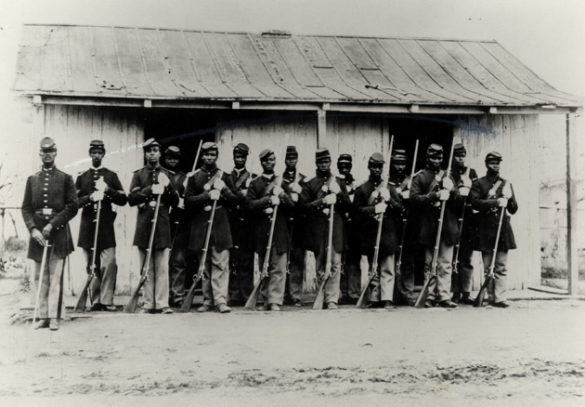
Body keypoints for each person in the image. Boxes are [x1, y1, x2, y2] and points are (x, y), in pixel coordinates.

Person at [22, 137, 78, 330]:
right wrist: (33, 229)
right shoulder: (32, 179)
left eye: (51, 151)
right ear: (40, 153)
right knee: (39, 276)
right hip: (38, 235)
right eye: (44, 152)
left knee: (55, 276)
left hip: (58, 233)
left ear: (55, 153)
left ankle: (54, 316)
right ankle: (43, 316)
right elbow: (26, 208)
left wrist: (52, 224)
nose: (47, 155)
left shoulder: (65, 178)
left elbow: (73, 207)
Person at [184, 142, 237, 313]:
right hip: (201, 225)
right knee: (204, 266)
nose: (209, 158)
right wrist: (207, 195)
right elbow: (188, 201)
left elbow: (236, 201)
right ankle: (207, 301)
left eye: (212, 155)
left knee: (220, 264)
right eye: (206, 155)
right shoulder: (194, 177)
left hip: (220, 225)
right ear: (202, 156)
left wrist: (224, 190)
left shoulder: (224, 176)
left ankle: (221, 301)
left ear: (217, 156)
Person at [128, 138, 178, 314]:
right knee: (146, 266)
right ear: (145, 153)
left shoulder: (168, 174)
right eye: (149, 151)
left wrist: (168, 187)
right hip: (144, 225)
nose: (152, 154)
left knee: (162, 267)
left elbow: (176, 201)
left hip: (162, 224)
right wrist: (149, 190)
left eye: (155, 150)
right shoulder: (139, 174)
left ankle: (163, 303)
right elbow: (131, 199)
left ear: (160, 153)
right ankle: (148, 303)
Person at [75, 140, 127, 311]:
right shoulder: (82, 177)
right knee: (92, 265)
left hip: (105, 226)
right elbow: (73, 203)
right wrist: (89, 198)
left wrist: (107, 191)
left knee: (109, 263)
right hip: (88, 226)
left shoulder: (111, 175)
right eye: (94, 152)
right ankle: (95, 300)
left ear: (103, 154)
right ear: (90, 154)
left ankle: (107, 300)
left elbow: (123, 199)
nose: (96, 155)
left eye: (99, 152)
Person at [410, 143, 462, 308]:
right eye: (433, 157)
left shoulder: (448, 176)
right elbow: (414, 199)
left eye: (439, 157)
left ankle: (444, 296)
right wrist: (435, 195)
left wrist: (452, 191)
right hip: (429, 225)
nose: (437, 160)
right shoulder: (420, 177)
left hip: (447, 226)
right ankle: (430, 296)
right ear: (428, 158)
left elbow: (459, 204)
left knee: (445, 264)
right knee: (430, 263)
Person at [300, 148, 351, 310]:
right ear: (316, 163)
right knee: (321, 262)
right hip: (318, 229)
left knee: (335, 263)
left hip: (335, 227)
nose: (324, 164)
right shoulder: (310, 183)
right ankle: (321, 295)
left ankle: (332, 299)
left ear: (330, 162)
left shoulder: (338, 182)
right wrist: (322, 202)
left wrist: (339, 195)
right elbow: (304, 207)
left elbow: (349, 206)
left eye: (326, 161)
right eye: (321, 162)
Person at [245, 149, 294, 311]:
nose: (269, 163)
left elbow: (293, 208)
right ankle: (265, 298)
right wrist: (267, 200)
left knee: (278, 267)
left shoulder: (282, 182)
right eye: (266, 160)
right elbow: (249, 205)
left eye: (272, 160)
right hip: (262, 231)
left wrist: (282, 196)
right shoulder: (255, 183)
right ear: (262, 162)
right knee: (264, 266)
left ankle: (275, 301)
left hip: (279, 231)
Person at [354, 152, 402, 309]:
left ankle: (387, 298)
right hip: (370, 232)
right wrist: (374, 208)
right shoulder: (362, 189)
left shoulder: (389, 188)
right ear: (369, 167)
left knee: (387, 266)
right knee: (373, 266)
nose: (376, 170)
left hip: (387, 232)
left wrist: (389, 200)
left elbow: (400, 209)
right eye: (373, 166)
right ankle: (374, 297)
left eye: (379, 167)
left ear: (382, 168)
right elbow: (357, 212)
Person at [470, 151, 518, 308]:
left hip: (502, 230)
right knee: (488, 267)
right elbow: (475, 203)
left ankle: (500, 298)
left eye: (497, 163)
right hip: (486, 229)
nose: (495, 166)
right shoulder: (479, 183)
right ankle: (490, 296)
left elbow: (514, 209)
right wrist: (496, 202)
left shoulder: (506, 184)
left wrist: (509, 198)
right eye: (492, 163)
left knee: (501, 267)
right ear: (486, 164)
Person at [226, 143, 256, 306]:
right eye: (237, 156)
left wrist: (248, 192)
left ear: (246, 158)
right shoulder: (226, 177)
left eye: (242, 157)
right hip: (231, 222)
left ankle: (246, 294)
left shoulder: (253, 177)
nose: (239, 159)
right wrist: (240, 194)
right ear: (234, 158)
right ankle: (233, 294)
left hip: (246, 224)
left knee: (246, 260)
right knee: (232, 260)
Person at [449, 143, 478, 305]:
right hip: (453, 217)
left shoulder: (471, 173)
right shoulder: (448, 173)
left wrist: (469, 187)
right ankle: (454, 291)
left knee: (466, 256)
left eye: (463, 155)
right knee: (452, 256)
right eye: (458, 155)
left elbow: (476, 194)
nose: (461, 158)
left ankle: (466, 291)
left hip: (467, 219)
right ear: (453, 157)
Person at [389, 148, 418, 306]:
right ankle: (392, 292)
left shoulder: (411, 180)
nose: (400, 166)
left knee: (408, 259)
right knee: (392, 258)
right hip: (393, 224)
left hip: (408, 224)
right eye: (397, 163)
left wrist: (409, 197)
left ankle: (407, 292)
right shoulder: (386, 181)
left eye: (402, 163)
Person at [164, 145, 190, 307]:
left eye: (175, 158)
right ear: (165, 159)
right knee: (162, 262)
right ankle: (164, 295)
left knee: (178, 260)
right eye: (169, 158)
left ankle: (178, 295)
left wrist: (183, 201)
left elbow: (191, 196)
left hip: (179, 223)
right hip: (163, 223)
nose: (172, 161)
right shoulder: (161, 175)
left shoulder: (185, 177)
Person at [281, 146, 307, 306]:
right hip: (283, 224)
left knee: (297, 260)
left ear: (297, 159)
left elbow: (307, 203)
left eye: (294, 158)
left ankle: (295, 295)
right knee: (283, 260)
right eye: (289, 158)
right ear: (285, 160)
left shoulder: (303, 179)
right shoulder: (279, 179)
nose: (291, 161)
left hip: (298, 225)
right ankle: (283, 294)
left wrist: (300, 194)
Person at [336, 153, 360, 304]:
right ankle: (341, 292)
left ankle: (354, 292)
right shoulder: (335, 183)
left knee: (353, 260)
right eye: (342, 165)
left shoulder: (356, 184)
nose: (344, 168)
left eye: (347, 165)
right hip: (340, 225)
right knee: (340, 260)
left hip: (353, 227)